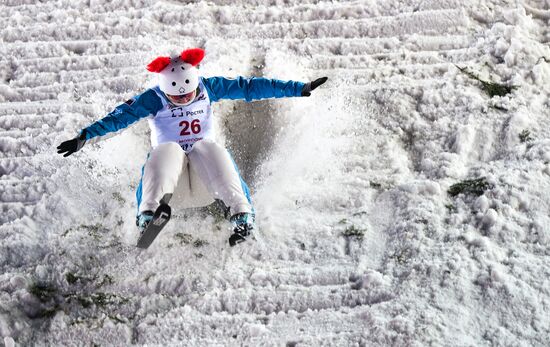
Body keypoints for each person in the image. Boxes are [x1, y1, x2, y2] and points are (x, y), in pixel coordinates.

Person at [57, 48, 328, 246]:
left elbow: (249, 88)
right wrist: (83, 137)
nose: (185, 99)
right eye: (177, 97)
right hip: (171, 188)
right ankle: (148, 213)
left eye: (188, 94)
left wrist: (298, 88)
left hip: (204, 182)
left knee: (207, 148)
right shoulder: (152, 99)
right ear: (165, 91)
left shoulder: (208, 88)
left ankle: (241, 213)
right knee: (168, 149)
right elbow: (117, 119)